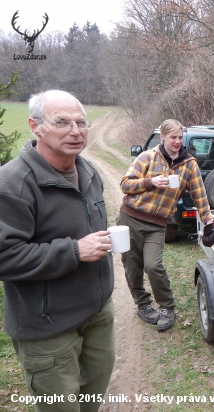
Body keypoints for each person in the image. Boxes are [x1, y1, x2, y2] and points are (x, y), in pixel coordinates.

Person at [0, 90, 115, 411]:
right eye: (62, 122)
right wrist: (75, 251)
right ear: (35, 126)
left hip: (97, 314)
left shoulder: (89, 172)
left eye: (81, 122)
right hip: (47, 327)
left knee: (92, 400)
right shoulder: (12, 184)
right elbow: (4, 257)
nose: (75, 131)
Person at [118, 119, 214, 331]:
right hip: (130, 219)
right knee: (132, 266)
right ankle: (143, 305)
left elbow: (199, 195)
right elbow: (125, 184)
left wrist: (207, 219)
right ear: (162, 137)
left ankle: (167, 307)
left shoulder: (189, 164)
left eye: (180, 138)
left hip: (157, 224)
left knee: (153, 265)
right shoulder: (148, 157)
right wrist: (150, 182)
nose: (177, 141)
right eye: (173, 137)